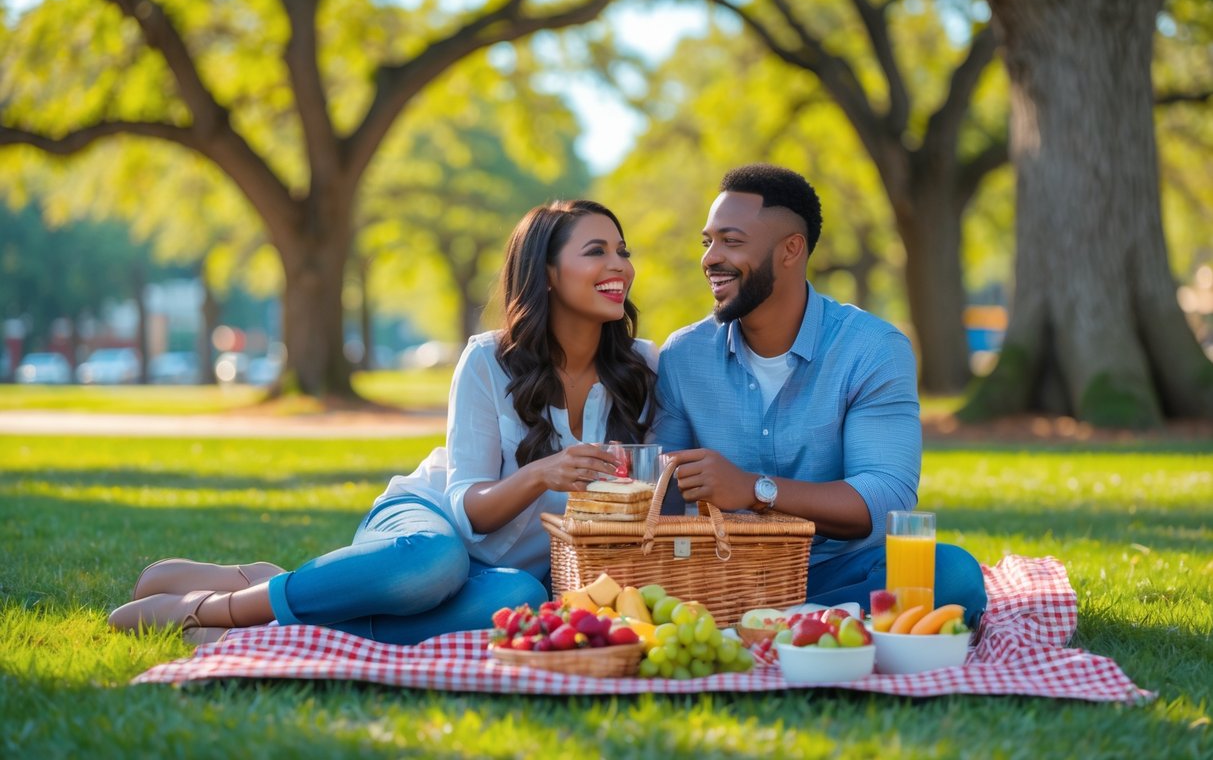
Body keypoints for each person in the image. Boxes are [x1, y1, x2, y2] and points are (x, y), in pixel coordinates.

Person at [109, 200, 657, 645]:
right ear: (547, 273)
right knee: (436, 562)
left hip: (503, 577)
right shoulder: (488, 360)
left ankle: (281, 594)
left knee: (520, 603)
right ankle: (217, 610)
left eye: (622, 251)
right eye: (597, 251)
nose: (620, 266)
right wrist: (541, 473)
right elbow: (468, 512)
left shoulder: (644, 369)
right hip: (428, 527)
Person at [652, 164, 987, 626]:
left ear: (791, 249)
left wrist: (753, 489)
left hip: (835, 569)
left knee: (952, 576)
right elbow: (662, 493)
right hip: (720, 573)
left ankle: (771, 623)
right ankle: (817, 623)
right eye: (707, 241)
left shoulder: (872, 348)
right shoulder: (683, 355)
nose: (711, 257)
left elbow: (884, 496)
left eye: (731, 241)